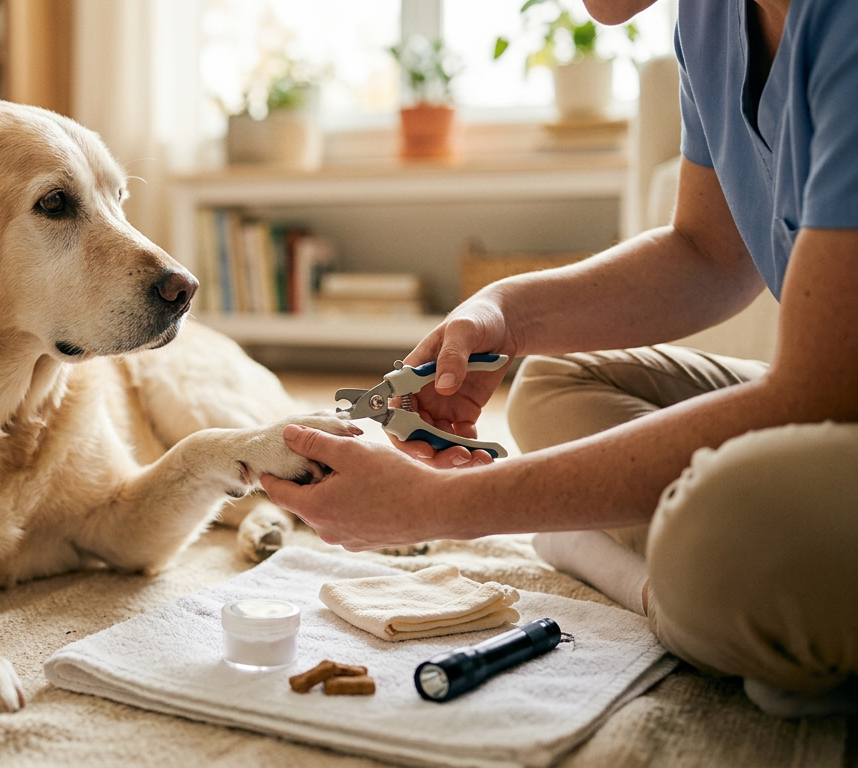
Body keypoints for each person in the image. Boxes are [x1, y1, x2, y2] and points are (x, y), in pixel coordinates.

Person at [261, 0, 858, 718]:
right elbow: (710, 253)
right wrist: (508, 312)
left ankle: (682, 596)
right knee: (557, 379)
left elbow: (820, 395)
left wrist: (441, 507)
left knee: (719, 540)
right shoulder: (711, 15)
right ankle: (755, 603)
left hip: (830, 394)